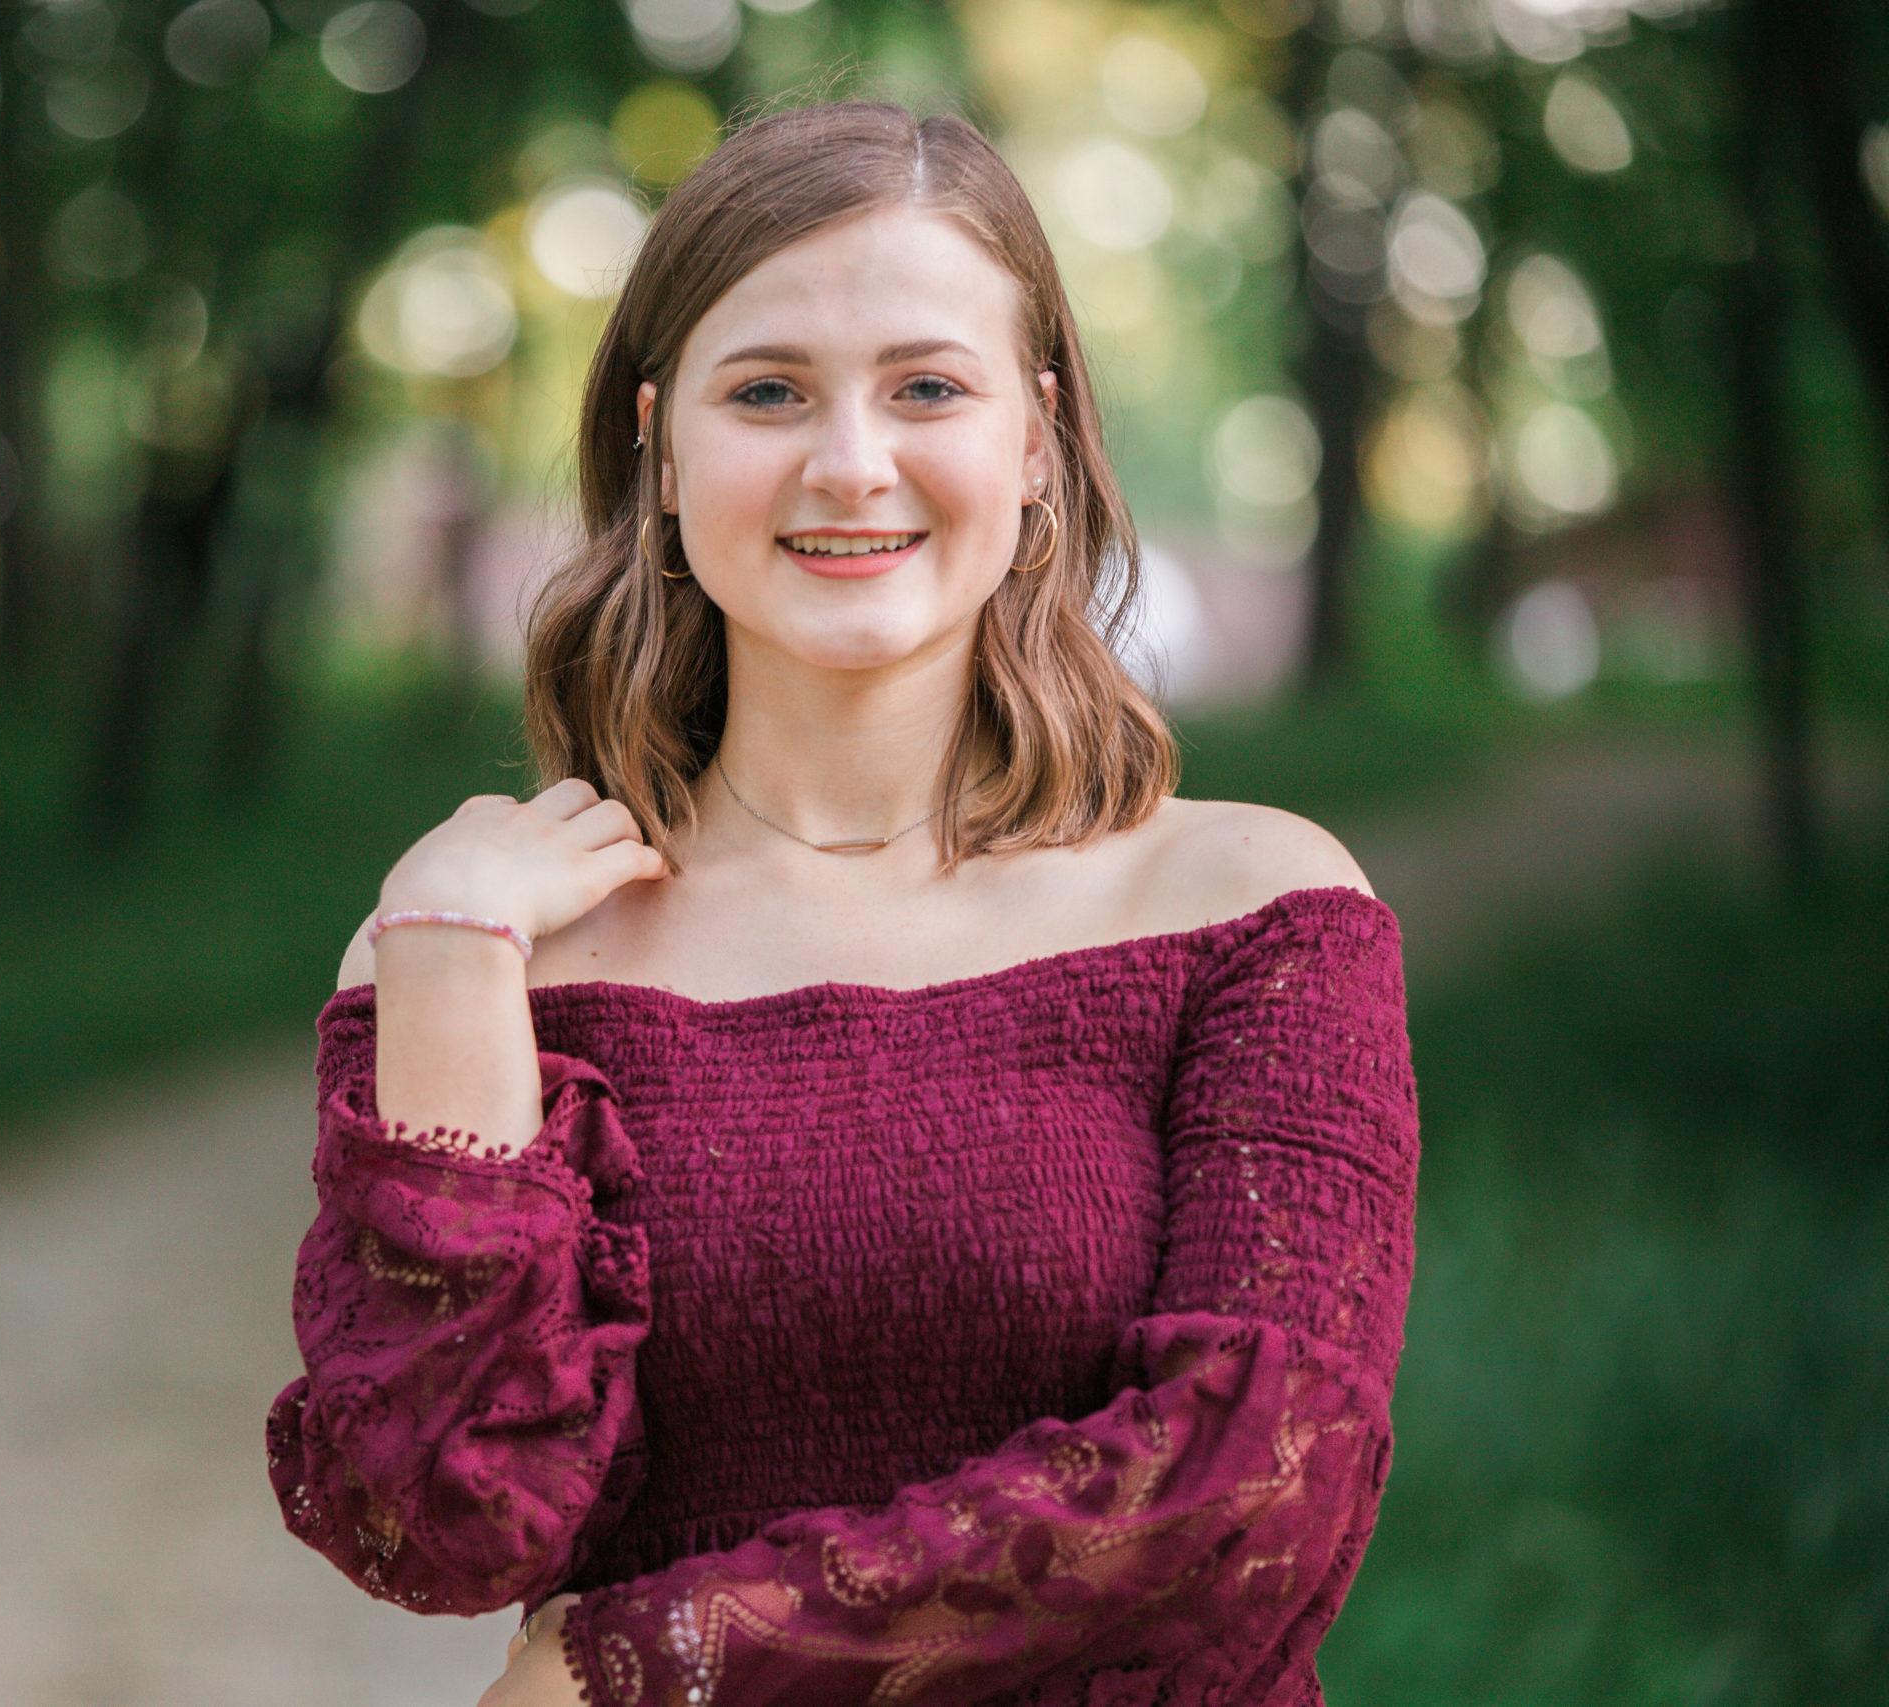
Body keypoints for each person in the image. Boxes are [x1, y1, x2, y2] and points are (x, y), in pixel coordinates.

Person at [265, 100, 1418, 1707]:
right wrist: (449, 977)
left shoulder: (1255, 912)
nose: (851, 462)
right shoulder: (497, 959)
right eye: (769, 392)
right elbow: (442, 1527)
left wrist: (660, 1664)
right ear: (665, 448)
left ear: (1034, 437)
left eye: (927, 387)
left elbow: (1254, 1492)